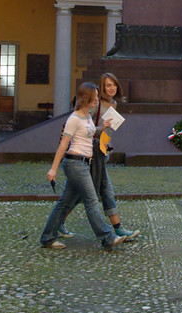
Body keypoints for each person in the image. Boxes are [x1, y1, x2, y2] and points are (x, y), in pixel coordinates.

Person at [39, 82, 129, 251]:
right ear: (85, 98)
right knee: (91, 201)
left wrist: (102, 128)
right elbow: (63, 145)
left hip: (83, 163)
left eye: (96, 97)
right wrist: (53, 169)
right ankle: (107, 237)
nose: (96, 100)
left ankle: (47, 237)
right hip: (75, 163)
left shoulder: (86, 116)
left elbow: (88, 131)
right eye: (94, 98)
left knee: (65, 203)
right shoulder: (73, 119)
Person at [58, 73, 140, 241]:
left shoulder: (114, 103)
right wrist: (100, 129)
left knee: (75, 192)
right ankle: (117, 229)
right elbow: (83, 123)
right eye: (108, 85)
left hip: (102, 151)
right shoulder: (96, 103)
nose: (112, 88)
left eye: (114, 85)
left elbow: (108, 129)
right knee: (104, 190)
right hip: (90, 151)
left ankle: (58, 222)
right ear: (101, 88)